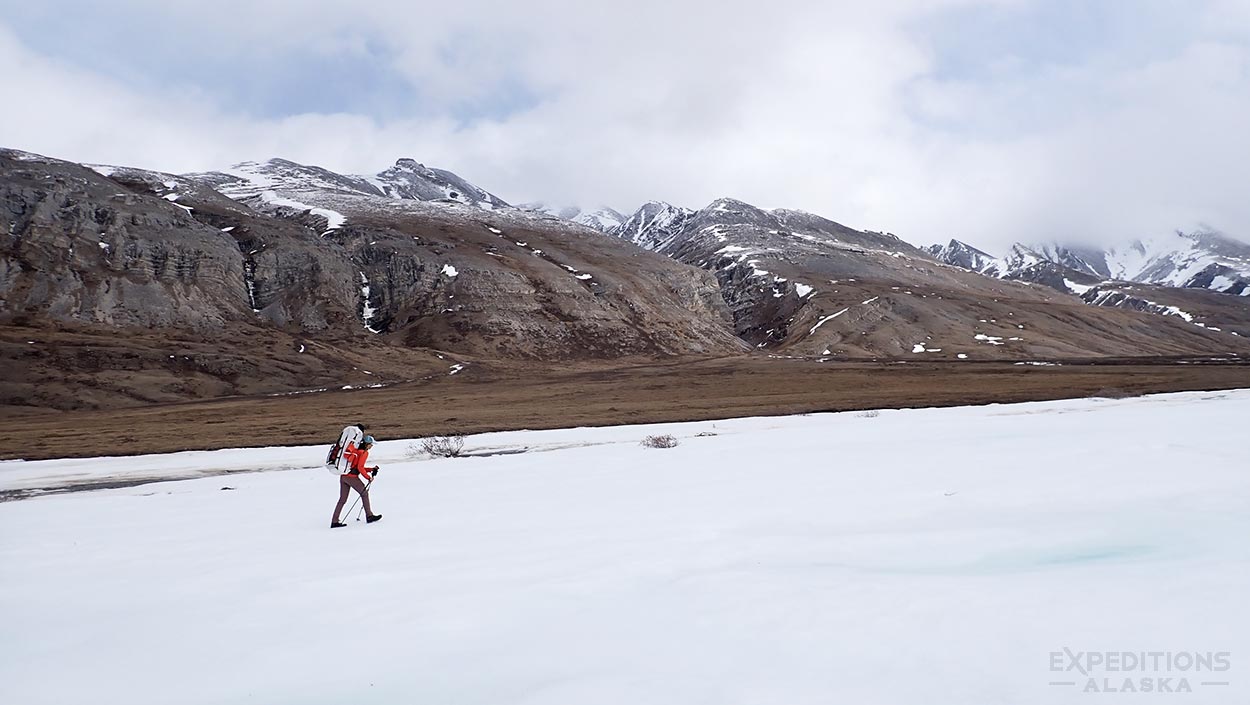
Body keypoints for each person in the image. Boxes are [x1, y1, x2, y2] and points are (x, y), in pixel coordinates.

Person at [331, 435, 382, 528]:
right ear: (366, 444)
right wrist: (368, 478)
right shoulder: (364, 453)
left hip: (343, 476)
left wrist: (370, 469)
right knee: (364, 494)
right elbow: (360, 468)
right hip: (352, 477)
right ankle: (369, 515)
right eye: (371, 444)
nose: (371, 446)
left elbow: (357, 467)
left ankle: (334, 521)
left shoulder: (356, 451)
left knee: (342, 499)